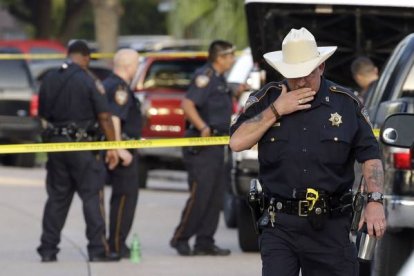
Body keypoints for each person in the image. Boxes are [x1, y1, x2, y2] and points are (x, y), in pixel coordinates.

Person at [229, 27, 386, 275]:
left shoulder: (346, 103)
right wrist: (276, 110)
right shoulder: (267, 99)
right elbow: (236, 143)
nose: (301, 81)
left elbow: (370, 156)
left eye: (308, 74)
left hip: (330, 225)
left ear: (321, 67)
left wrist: (375, 201)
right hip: (279, 224)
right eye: (294, 75)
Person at [37, 40, 120, 262]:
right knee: (92, 197)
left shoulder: (50, 78)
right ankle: (97, 249)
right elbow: (104, 116)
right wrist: (113, 146)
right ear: (86, 57)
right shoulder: (88, 80)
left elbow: (42, 113)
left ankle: (47, 249)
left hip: (55, 145)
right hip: (83, 147)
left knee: (57, 198)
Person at [170, 40, 236, 256]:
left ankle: (205, 241)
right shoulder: (204, 76)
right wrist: (203, 126)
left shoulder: (219, 79)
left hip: (217, 146)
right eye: (230, 56)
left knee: (215, 196)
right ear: (220, 58)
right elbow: (187, 104)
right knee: (201, 195)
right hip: (202, 145)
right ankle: (180, 237)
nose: (233, 60)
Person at [102, 49, 142, 259]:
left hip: (121, 145)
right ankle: (117, 244)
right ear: (128, 66)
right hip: (123, 148)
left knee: (123, 198)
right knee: (125, 198)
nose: (137, 69)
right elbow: (114, 118)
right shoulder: (119, 87)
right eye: (136, 64)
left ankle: (117, 242)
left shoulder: (108, 83)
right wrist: (119, 148)